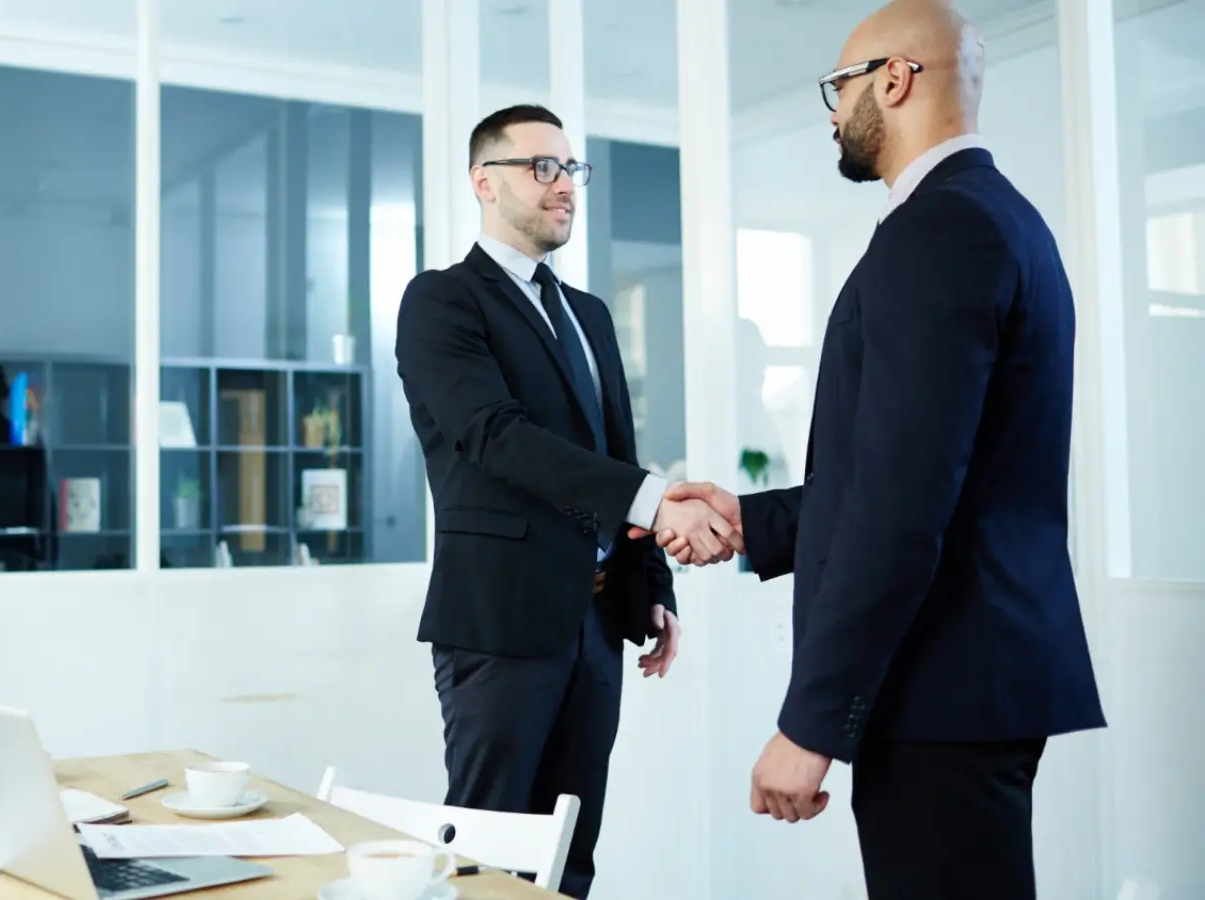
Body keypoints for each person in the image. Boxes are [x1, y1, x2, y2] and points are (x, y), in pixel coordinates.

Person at [637, 3, 1105, 898]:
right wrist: (753, 519)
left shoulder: (941, 231)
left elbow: (902, 505)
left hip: (945, 687)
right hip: (974, 684)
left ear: (893, 79)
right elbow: (921, 475)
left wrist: (813, 723)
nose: (832, 112)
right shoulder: (996, 219)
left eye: (839, 87)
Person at [394, 103, 735, 898]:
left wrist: (652, 586)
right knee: (486, 852)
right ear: (484, 182)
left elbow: (617, 456)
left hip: (597, 619)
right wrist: (656, 504)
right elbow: (495, 436)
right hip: (501, 621)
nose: (565, 186)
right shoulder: (443, 301)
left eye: (571, 169)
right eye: (542, 167)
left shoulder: (589, 315)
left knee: (568, 856)